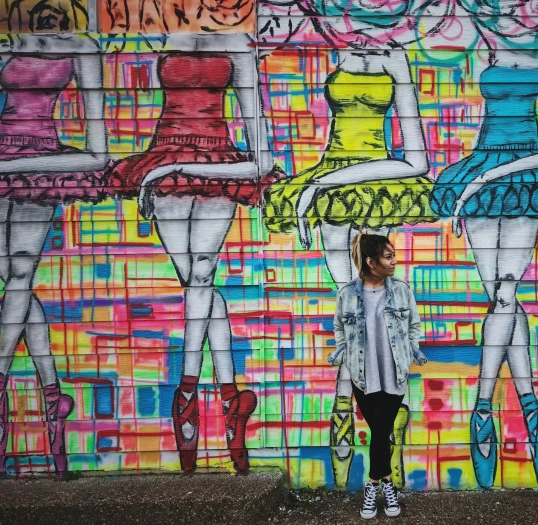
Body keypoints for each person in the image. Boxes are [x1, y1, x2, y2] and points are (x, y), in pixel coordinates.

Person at [261, 0, 453, 489]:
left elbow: (416, 161)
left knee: (376, 302)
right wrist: (316, 183)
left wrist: (318, 188)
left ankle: (373, 405)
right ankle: (355, 400)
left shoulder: (396, 60)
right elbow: (333, 135)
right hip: (333, 171)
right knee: (351, 304)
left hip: (374, 176)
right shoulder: (339, 57)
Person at [105, 28, 284, 474]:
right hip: (163, 160)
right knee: (197, 286)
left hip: (209, 165)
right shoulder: (163, 27)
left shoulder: (240, 41)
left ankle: (185, 392)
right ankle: (231, 395)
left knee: (201, 276)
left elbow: (261, 155)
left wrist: (174, 167)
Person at [431, 0, 538, 488]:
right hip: (481, 169)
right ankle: (531, 406)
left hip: (516, 176)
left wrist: (489, 176)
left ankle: (482, 407)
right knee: (505, 298)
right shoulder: (484, 50)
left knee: (502, 294)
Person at [0, 20, 109, 475]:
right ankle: (52, 394)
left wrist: (39, 163)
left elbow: (98, 150)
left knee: (20, 275)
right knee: (16, 283)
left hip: (36, 161)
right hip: (4, 154)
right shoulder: (8, 36)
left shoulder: (82, 45)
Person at [328, 232, 427, 518]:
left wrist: (409, 354)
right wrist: (343, 351)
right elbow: (338, 328)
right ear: (371, 262)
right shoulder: (347, 293)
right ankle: (388, 486)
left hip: (394, 374)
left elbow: (414, 326)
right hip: (362, 376)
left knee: (381, 431)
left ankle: (372, 486)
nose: (394, 261)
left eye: (393, 255)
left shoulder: (401, 290)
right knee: (380, 433)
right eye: (388, 257)